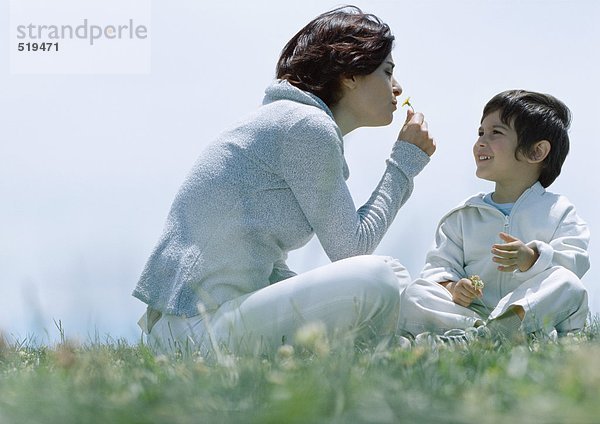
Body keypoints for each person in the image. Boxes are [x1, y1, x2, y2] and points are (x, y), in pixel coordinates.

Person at [132, 6, 435, 356]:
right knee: (378, 277)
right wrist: (403, 163)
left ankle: (419, 339)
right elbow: (351, 250)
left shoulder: (290, 120)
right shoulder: (306, 126)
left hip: (198, 323)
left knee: (394, 278)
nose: (397, 88)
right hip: (195, 330)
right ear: (351, 73)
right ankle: (407, 342)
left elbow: (266, 266)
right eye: (387, 72)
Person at [399, 90, 590, 342]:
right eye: (480, 133)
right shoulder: (464, 216)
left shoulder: (560, 212)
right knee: (416, 294)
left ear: (536, 152)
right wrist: (454, 288)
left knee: (568, 284)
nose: (480, 142)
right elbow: (439, 268)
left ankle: (490, 333)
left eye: (495, 133)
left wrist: (532, 258)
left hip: (529, 315)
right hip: (472, 314)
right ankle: (483, 335)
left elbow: (573, 263)